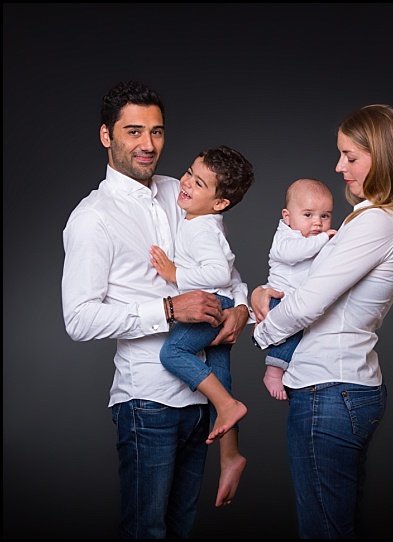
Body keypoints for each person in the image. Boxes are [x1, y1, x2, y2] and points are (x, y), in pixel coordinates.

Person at [61, 80, 252, 538]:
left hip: (200, 400)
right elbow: (79, 319)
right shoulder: (92, 218)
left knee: (182, 528)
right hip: (148, 401)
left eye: (157, 131)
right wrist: (168, 308)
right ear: (106, 136)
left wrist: (241, 308)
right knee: (147, 531)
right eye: (133, 131)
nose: (148, 145)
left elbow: (223, 272)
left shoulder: (182, 191)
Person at [250, 104, 393, 538]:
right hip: (338, 389)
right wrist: (259, 294)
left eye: (351, 157)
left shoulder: (377, 223)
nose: (339, 167)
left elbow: (309, 302)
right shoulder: (378, 219)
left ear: (384, 157)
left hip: (329, 392)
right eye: (341, 155)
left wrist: (261, 329)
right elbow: (301, 285)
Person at [151, 145, 255, 448]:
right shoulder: (205, 219)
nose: (185, 183)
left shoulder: (201, 228)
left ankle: (226, 406)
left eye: (199, 183)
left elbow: (219, 273)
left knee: (173, 353)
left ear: (220, 202)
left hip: (210, 303)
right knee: (219, 367)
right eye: (189, 173)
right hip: (223, 302)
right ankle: (229, 454)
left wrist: (174, 275)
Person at [262, 178, 337, 400]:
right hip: (281, 300)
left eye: (325, 216)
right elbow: (293, 253)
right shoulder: (286, 237)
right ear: (287, 217)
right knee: (292, 336)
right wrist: (324, 238)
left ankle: (284, 370)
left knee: (302, 339)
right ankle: (273, 372)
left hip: (298, 302)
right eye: (308, 215)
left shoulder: (316, 241)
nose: (317, 223)